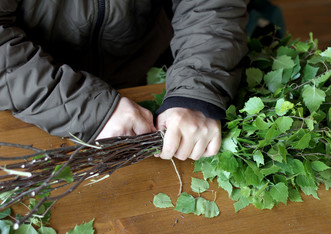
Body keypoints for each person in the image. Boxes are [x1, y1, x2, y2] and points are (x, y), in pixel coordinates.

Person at [0, 0, 249, 161]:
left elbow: (213, 5)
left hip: (153, 78)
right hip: (23, 104)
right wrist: (90, 109)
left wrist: (196, 90)